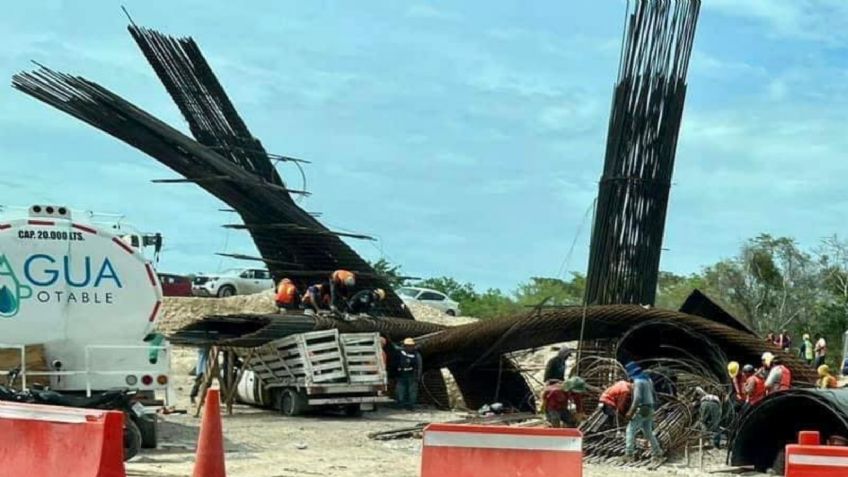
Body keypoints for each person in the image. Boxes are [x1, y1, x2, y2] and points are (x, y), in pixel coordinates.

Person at [624, 362, 663, 463]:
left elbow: (637, 398)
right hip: (650, 408)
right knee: (648, 432)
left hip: (642, 408)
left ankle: (629, 454)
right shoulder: (648, 380)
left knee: (630, 430)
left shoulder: (638, 381)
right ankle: (658, 452)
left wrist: (630, 412)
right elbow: (654, 394)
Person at [394, 338, 422, 411]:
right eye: (408, 346)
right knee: (400, 391)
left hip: (412, 375)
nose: (409, 347)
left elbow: (419, 366)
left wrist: (418, 376)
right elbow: (395, 364)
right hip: (401, 375)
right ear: (404, 346)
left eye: (411, 346)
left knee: (412, 391)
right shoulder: (400, 353)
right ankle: (401, 405)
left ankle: (410, 406)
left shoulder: (416, 355)